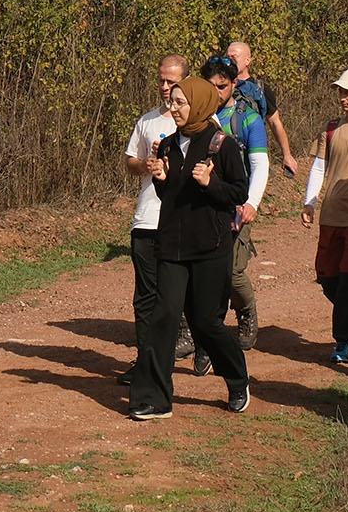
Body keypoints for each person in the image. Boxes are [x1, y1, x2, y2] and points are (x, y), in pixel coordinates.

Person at [128, 76, 251, 420]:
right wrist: (161, 180)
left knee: (206, 323)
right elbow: (172, 198)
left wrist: (211, 183)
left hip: (210, 248)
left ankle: (237, 378)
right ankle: (154, 398)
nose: (174, 108)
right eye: (172, 102)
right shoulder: (166, 146)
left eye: (181, 103)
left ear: (198, 104)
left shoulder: (220, 145)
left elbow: (238, 193)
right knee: (163, 317)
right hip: (171, 247)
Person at [117, 55, 188, 384]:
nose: (164, 87)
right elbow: (130, 161)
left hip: (183, 221)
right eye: (161, 80)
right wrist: (144, 165)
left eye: (171, 82)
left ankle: (185, 349)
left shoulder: (200, 123)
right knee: (145, 295)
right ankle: (146, 360)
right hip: (146, 218)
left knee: (176, 295)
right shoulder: (147, 122)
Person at [301, 68, 348, 364]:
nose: (343, 97)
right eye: (340, 91)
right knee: (327, 278)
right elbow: (319, 166)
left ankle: (343, 342)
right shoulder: (331, 127)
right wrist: (310, 202)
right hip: (330, 214)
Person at [196, 54, 273, 350]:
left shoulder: (249, 120)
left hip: (237, 204)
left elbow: (260, 164)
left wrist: (251, 202)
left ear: (234, 84)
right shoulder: (194, 118)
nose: (217, 92)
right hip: (203, 205)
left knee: (232, 271)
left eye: (222, 85)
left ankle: (246, 311)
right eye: (210, 85)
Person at [226, 41, 300, 177]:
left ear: (248, 60)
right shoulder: (221, 86)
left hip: (251, 153)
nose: (229, 61)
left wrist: (287, 155)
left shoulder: (261, 89)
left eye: (234, 57)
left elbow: (275, 122)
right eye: (227, 57)